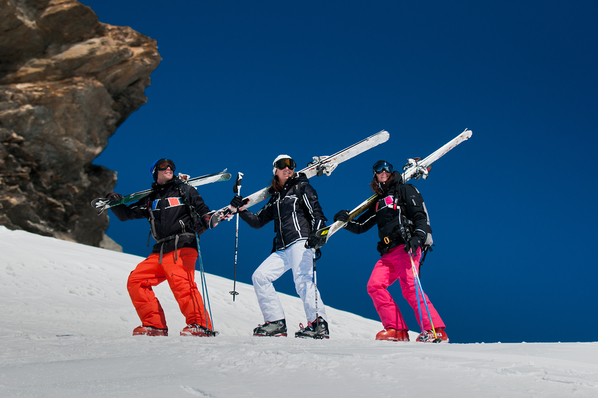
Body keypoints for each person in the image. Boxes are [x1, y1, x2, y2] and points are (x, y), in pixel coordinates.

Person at [333, 160, 448, 343]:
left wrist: (417, 237)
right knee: (375, 285)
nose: (383, 171)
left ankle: (434, 330)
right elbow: (361, 226)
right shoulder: (378, 203)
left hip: (406, 246)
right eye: (379, 169)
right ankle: (396, 330)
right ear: (375, 175)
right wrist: (345, 221)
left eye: (387, 168)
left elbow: (420, 215)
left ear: (391, 172)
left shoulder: (405, 190)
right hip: (388, 252)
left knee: (410, 287)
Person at [107, 158, 216, 337]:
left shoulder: (185, 190)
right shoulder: (150, 199)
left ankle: (200, 325)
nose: (168, 168)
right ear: (155, 171)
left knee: (181, 283)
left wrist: (205, 222)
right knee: (136, 280)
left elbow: (203, 211)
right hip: (160, 250)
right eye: (163, 166)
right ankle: (154, 326)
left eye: (171, 166)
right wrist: (116, 203)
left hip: (182, 244)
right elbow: (126, 215)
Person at [228, 155, 330, 339]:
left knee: (303, 280)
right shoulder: (275, 198)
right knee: (260, 277)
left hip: (302, 241)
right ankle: (275, 322)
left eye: (291, 165)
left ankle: (318, 324)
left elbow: (317, 213)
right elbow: (258, 221)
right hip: (282, 248)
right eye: (282, 165)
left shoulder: (301, 187)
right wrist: (240, 210)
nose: (288, 168)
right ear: (275, 170)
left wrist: (318, 234)